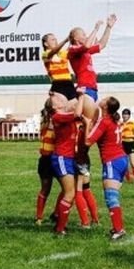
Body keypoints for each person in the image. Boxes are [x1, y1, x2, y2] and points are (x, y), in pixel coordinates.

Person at [83, 96, 129, 240]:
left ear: (106, 107)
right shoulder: (114, 121)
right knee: (113, 195)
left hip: (112, 161)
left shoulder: (105, 121)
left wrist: (87, 124)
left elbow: (88, 141)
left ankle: (119, 229)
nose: (102, 98)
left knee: (111, 196)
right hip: (122, 159)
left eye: (105, 99)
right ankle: (118, 227)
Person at [49, 95, 86, 235]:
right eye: (58, 100)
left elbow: (75, 109)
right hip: (62, 157)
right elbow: (77, 112)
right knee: (70, 193)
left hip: (68, 157)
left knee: (68, 192)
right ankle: (60, 228)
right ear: (55, 106)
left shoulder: (63, 115)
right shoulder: (57, 116)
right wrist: (82, 96)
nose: (62, 99)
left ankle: (59, 220)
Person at [68, 14, 117, 119]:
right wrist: (96, 29)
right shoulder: (73, 49)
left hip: (93, 88)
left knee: (92, 124)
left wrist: (108, 28)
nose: (86, 36)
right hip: (85, 88)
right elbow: (87, 45)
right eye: (83, 34)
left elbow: (101, 45)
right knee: (89, 123)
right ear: (75, 37)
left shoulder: (85, 51)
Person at [34, 100, 58, 225]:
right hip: (53, 158)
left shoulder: (45, 121)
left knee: (45, 189)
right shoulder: (52, 121)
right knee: (68, 189)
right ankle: (56, 213)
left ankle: (39, 217)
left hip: (45, 159)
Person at [41, 33, 77, 113]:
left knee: (74, 109)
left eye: (56, 39)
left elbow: (71, 51)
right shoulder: (45, 54)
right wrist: (65, 40)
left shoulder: (62, 53)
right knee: (60, 110)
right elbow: (53, 52)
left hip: (69, 83)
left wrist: (72, 40)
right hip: (58, 84)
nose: (55, 41)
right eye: (52, 40)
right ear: (46, 43)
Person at [121, 108, 134, 184]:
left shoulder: (133, 124)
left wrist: (128, 136)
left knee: (133, 163)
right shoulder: (120, 123)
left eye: (126, 114)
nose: (125, 116)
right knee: (124, 164)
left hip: (130, 144)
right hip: (122, 144)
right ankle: (128, 178)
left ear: (129, 116)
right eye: (123, 114)